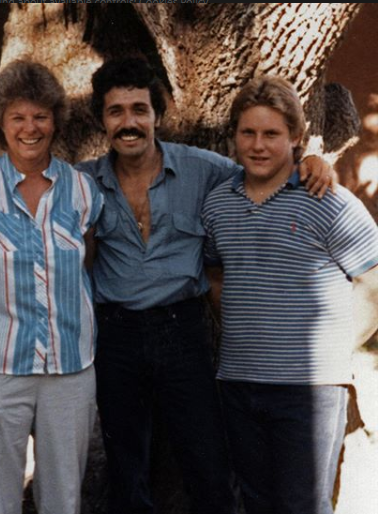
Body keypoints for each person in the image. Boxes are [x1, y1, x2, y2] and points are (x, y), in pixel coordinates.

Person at [76, 57, 336, 514]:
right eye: (116, 111)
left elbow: (266, 168)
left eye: (140, 109)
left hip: (183, 333)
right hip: (115, 336)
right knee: (126, 466)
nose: (129, 122)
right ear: (103, 119)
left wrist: (313, 158)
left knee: (208, 464)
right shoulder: (82, 185)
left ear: (158, 115)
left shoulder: (203, 169)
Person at [201, 76, 378, 514]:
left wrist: (333, 348)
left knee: (302, 506)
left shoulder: (327, 201)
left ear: (296, 138)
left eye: (272, 134)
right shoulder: (218, 204)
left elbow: (375, 282)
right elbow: (216, 274)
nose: (258, 145)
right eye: (249, 133)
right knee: (256, 502)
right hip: (239, 385)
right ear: (234, 137)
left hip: (310, 392)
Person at [0, 60, 104, 514]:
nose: (30, 127)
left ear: (55, 120)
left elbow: (88, 261)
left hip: (70, 370)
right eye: (18, 117)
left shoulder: (83, 190)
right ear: (1, 123)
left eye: (40, 116)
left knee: (63, 501)